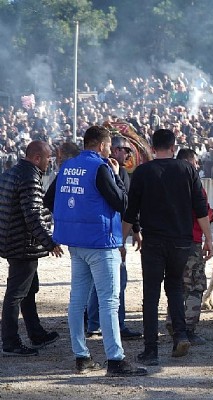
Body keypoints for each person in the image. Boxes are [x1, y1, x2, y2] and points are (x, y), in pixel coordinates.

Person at [51, 126, 147, 376]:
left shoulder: (67, 167)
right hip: (101, 243)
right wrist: (116, 176)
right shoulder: (101, 167)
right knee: (109, 301)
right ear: (101, 145)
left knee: (77, 300)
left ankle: (81, 357)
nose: (109, 150)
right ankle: (115, 359)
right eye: (107, 146)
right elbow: (122, 203)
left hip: (76, 243)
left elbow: (51, 200)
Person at [122, 128, 213, 366]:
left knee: (150, 295)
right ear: (173, 148)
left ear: (152, 148)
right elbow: (201, 208)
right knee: (174, 288)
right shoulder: (187, 170)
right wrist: (209, 239)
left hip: (153, 242)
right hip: (182, 242)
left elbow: (130, 212)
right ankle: (180, 336)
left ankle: (151, 350)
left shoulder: (142, 172)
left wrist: (120, 241)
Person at [0, 141, 62, 357]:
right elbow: (33, 214)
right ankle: (10, 342)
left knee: (28, 290)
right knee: (16, 294)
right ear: (37, 158)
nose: (49, 162)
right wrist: (50, 242)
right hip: (22, 245)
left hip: (12, 240)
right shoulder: (29, 177)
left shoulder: (11, 173)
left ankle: (36, 333)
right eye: (47, 158)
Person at [83, 135, 142, 340]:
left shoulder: (97, 168)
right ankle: (116, 325)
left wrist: (135, 229)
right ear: (114, 150)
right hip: (110, 235)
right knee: (118, 281)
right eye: (124, 150)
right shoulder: (112, 171)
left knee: (94, 282)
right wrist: (126, 235)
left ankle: (93, 324)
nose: (127, 154)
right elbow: (124, 203)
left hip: (99, 234)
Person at [166, 148, 213, 345]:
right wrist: (211, 219)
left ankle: (172, 320)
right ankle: (188, 328)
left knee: (176, 284)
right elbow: (202, 212)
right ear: (188, 162)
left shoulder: (165, 181)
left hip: (168, 242)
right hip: (191, 241)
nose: (197, 166)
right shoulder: (193, 183)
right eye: (195, 162)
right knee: (195, 286)